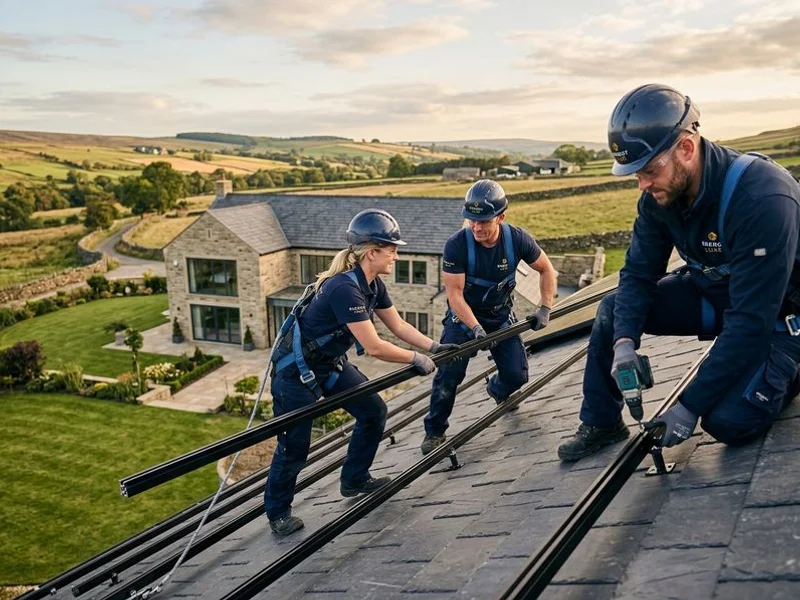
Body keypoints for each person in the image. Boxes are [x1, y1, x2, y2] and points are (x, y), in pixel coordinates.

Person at [558, 83, 800, 462]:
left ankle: (789, 369)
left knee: (727, 422)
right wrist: (624, 343)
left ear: (686, 148)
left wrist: (688, 406)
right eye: (635, 173)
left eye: (649, 169)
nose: (642, 184)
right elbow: (638, 276)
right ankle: (602, 422)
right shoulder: (659, 198)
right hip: (719, 300)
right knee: (612, 310)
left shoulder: (761, 198)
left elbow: (751, 320)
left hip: (776, 318)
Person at [265, 209, 453, 537]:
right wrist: (415, 359)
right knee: (295, 445)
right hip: (295, 375)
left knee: (373, 411)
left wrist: (434, 347)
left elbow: (398, 324)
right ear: (371, 252)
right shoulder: (344, 289)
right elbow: (376, 346)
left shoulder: (373, 285)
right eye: (391, 249)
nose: (396, 255)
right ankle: (278, 511)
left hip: (328, 366)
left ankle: (354, 478)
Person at [420, 179, 558, 454]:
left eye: (483, 221)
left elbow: (547, 270)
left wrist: (545, 307)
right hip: (464, 320)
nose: (477, 227)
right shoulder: (456, 246)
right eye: (472, 220)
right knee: (449, 374)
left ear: (501, 216)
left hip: (500, 317)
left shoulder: (517, 239)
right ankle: (434, 431)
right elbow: (455, 295)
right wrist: (474, 328)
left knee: (517, 375)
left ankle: (497, 389)